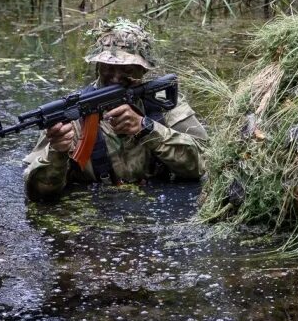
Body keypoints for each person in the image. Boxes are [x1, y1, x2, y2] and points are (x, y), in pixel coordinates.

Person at [23, 19, 208, 201]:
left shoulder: (164, 105)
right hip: (95, 215)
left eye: (127, 69)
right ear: (98, 67)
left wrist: (147, 128)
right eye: (108, 68)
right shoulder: (72, 115)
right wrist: (58, 152)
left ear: (143, 70)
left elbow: (204, 165)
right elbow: (38, 193)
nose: (116, 77)